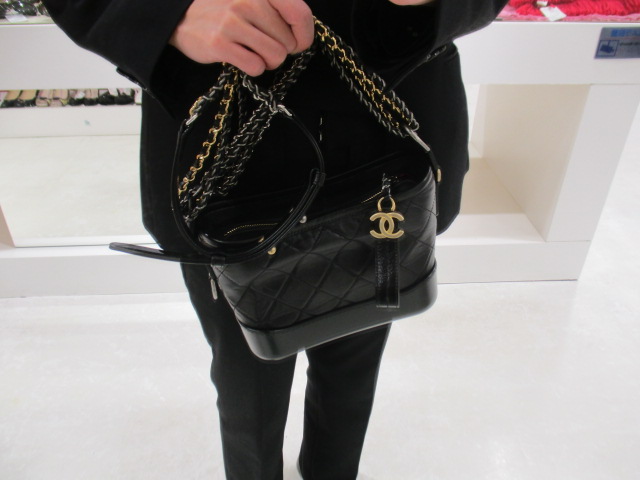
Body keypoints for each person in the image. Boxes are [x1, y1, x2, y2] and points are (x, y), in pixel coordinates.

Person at [42, 0, 508, 478]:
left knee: (354, 364)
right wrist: (165, 13)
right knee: (247, 380)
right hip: (226, 148)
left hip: (386, 122)